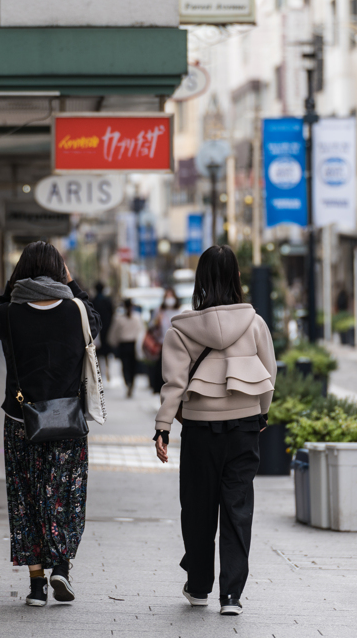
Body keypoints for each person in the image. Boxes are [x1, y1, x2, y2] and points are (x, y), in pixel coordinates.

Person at [153, 245, 277, 617]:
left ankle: (199, 586)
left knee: (197, 509)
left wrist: (162, 428)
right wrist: (262, 414)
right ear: (237, 277)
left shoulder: (182, 329)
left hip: (199, 430)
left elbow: (173, 384)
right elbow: (269, 374)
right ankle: (232, 596)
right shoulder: (254, 323)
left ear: (200, 280)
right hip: (243, 427)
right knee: (238, 509)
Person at [0, 241, 101, 608]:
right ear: (60, 271)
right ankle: (62, 567)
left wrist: (12, 285)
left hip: (20, 420)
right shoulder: (77, 311)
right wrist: (74, 284)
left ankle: (36, 586)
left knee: (24, 498)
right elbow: (94, 319)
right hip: (67, 420)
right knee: (65, 494)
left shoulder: (9, 315)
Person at [148, 287, 182, 394]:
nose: (169, 298)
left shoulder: (180, 311)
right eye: (167, 296)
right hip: (162, 344)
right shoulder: (159, 311)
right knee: (162, 369)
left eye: (171, 296)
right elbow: (151, 326)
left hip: (176, 345)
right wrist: (156, 321)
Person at [108, 298, 144, 397]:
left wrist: (112, 343)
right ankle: (131, 383)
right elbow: (141, 332)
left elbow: (113, 333)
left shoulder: (119, 318)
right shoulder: (137, 318)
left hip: (124, 345)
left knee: (125, 366)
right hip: (133, 345)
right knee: (133, 366)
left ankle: (128, 382)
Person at [92, 282, 115, 382]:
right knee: (106, 353)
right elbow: (112, 314)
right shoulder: (107, 301)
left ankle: (100, 373)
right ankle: (108, 371)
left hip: (97, 330)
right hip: (107, 330)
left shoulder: (93, 301)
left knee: (97, 353)